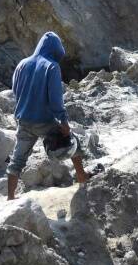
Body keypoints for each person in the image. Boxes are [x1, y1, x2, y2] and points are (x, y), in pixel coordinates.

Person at [6, 32, 88, 200]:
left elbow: (15, 89)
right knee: (75, 144)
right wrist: (64, 122)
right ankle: (82, 179)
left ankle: (10, 197)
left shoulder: (22, 64)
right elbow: (56, 100)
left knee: (17, 159)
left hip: (23, 120)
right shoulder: (52, 66)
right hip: (44, 121)